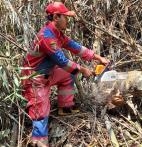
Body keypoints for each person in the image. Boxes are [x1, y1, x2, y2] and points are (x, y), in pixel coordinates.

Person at [21, 2, 109, 146]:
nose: (67, 21)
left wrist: (98, 57)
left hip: (47, 74)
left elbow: (76, 47)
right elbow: (62, 61)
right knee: (41, 112)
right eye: (65, 17)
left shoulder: (58, 34)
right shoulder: (47, 37)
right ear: (56, 17)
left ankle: (66, 107)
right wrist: (83, 70)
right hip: (34, 80)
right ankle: (39, 140)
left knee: (68, 75)